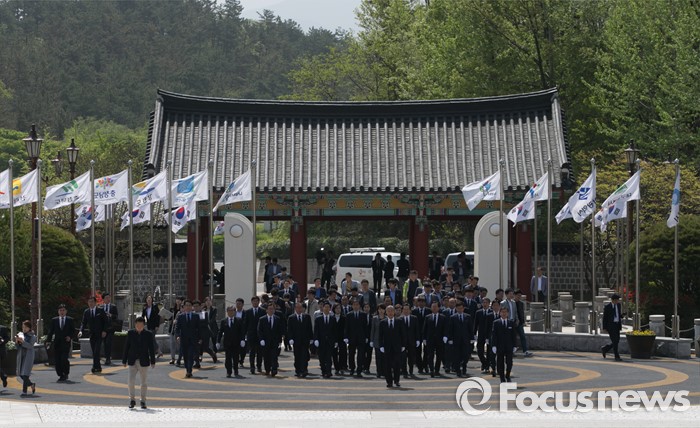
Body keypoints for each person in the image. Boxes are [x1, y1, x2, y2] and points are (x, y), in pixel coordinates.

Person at [122, 317, 156, 409]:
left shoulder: (148, 334)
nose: (139, 327)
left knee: (143, 382)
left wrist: (153, 361)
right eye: (137, 325)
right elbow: (126, 347)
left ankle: (143, 401)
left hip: (144, 361)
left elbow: (151, 348)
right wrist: (124, 360)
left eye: (141, 325)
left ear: (144, 325)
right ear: (135, 325)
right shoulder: (131, 333)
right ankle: (132, 400)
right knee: (130, 381)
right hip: (132, 360)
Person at [378, 305, 405, 388]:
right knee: (387, 366)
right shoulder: (382, 322)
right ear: (386, 312)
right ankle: (389, 382)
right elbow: (380, 336)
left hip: (397, 347)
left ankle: (397, 381)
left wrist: (403, 345)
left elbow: (403, 334)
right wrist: (381, 346)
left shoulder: (399, 321)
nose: (390, 313)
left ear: (394, 312)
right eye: (388, 311)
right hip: (387, 347)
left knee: (397, 365)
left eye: (391, 311)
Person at [46, 304, 74, 382]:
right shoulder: (54, 320)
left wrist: (70, 337)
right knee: (57, 360)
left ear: (66, 311)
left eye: (63, 310)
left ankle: (66, 373)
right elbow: (51, 331)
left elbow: (73, 331)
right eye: (60, 310)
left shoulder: (70, 320)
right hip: (57, 343)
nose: (62, 312)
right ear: (58, 312)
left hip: (66, 343)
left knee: (64, 359)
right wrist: (48, 341)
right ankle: (60, 374)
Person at [79, 296, 107, 373]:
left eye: (92, 302)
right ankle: (98, 366)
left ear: (95, 303)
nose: (90, 303)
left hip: (99, 334)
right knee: (94, 351)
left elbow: (106, 321)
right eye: (89, 302)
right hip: (92, 334)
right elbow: (83, 323)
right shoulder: (86, 312)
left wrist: (104, 331)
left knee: (96, 351)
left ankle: (94, 366)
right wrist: (81, 331)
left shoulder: (100, 310)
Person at [447, 301, 474, 377]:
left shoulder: (467, 316)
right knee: (457, 356)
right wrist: (450, 339)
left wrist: (472, 338)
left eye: (461, 308)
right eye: (458, 308)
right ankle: (458, 370)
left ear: (463, 308)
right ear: (456, 308)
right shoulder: (453, 317)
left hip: (465, 339)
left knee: (466, 355)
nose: (460, 310)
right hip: (456, 339)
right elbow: (450, 329)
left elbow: (470, 328)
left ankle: (464, 366)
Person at [175, 300, 201, 378]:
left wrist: (200, 338)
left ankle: (189, 371)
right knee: (186, 356)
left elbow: (199, 328)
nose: (188, 307)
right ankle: (187, 369)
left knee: (190, 355)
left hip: (193, 340)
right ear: (184, 307)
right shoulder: (181, 317)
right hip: (184, 340)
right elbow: (177, 328)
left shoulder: (196, 316)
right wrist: (177, 336)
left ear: (191, 307)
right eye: (186, 305)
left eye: (189, 305)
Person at [344, 298, 369, 378]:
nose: (356, 306)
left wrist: (366, 337)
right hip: (352, 338)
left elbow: (365, 327)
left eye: (357, 305)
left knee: (360, 355)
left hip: (361, 338)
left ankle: (359, 370)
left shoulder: (363, 315)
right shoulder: (349, 315)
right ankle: (352, 368)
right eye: (354, 305)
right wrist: (346, 337)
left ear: (359, 306)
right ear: (352, 306)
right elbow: (346, 327)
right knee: (351, 354)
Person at [287, 302, 314, 377]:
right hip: (296, 340)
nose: (299, 309)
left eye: (300, 308)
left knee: (304, 356)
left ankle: (304, 370)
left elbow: (309, 328)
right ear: (295, 308)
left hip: (305, 340)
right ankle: (298, 370)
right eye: (297, 308)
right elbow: (289, 330)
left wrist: (311, 338)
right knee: (297, 356)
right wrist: (290, 338)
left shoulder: (307, 317)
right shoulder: (291, 318)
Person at [217, 306, 245, 378]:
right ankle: (228, 372)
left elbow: (242, 331)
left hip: (236, 342)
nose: (231, 312)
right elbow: (220, 332)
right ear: (227, 312)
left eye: (232, 311)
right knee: (228, 358)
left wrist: (242, 339)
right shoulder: (224, 321)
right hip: (227, 343)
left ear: (234, 312)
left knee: (236, 358)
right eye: (229, 311)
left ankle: (236, 370)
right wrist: (218, 342)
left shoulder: (239, 320)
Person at [491, 306, 517, 382]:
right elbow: (494, 335)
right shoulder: (496, 323)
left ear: (508, 313)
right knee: (500, 362)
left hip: (509, 346)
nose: (504, 313)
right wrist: (494, 345)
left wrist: (515, 345)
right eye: (502, 312)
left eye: (505, 312)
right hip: (500, 346)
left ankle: (508, 375)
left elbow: (514, 335)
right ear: (500, 313)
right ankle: (502, 377)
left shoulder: (511, 323)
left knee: (509, 362)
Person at [257, 303, 282, 376]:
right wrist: (261, 339)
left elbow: (279, 330)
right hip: (265, 341)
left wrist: (280, 340)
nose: (271, 310)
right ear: (266, 310)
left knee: (274, 356)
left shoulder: (277, 319)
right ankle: (267, 369)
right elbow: (259, 330)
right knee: (266, 356)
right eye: (269, 309)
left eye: (272, 309)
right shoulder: (262, 319)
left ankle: (274, 369)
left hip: (274, 341)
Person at [423, 301, 447, 377]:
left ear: (438, 308)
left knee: (439, 355)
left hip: (440, 339)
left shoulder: (443, 317)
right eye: (433, 307)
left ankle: (437, 370)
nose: (434, 308)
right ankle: (431, 369)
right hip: (430, 339)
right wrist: (424, 338)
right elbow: (425, 329)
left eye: (435, 307)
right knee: (430, 355)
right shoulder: (427, 317)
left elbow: (445, 328)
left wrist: (445, 336)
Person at [314, 301, 337, 378]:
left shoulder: (333, 319)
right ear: (323, 308)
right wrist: (316, 339)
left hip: (330, 341)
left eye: (328, 307)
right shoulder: (318, 319)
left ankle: (329, 372)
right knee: (322, 357)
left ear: (330, 309)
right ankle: (323, 371)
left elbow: (335, 331)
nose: (327, 309)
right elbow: (316, 330)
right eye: (325, 307)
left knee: (329, 357)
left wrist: (335, 341)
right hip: (321, 341)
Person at [192, 300, 217, 367]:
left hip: (204, 333)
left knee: (205, 347)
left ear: (200, 306)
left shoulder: (204, 313)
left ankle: (213, 354)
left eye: (197, 306)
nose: (196, 308)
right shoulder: (192, 313)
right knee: (196, 348)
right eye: (194, 306)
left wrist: (197, 324)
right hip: (195, 333)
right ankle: (197, 363)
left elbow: (205, 323)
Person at [15, 320, 36, 397]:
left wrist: (22, 342)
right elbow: (17, 346)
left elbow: (30, 346)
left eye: (26, 327)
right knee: (21, 374)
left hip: (28, 356)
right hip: (21, 355)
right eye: (23, 327)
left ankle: (24, 391)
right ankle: (31, 384)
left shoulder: (33, 336)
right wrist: (17, 341)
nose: (24, 329)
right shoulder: (20, 334)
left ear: (29, 328)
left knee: (25, 374)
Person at [246, 296, 265, 374]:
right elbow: (245, 324)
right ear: (251, 302)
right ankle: (252, 367)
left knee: (260, 352)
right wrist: (245, 334)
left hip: (260, 335)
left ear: (259, 302)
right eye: (253, 301)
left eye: (256, 301)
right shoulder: (248, 312)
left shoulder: (263, 311)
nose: (255, 302)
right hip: (251, 335)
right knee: (252, 352)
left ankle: (259, 366)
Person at [473, 298, 493, 373]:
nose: (485, 304)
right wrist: (474, 334)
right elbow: (475, 324)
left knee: (489, 351)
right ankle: (484, 363)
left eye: (486, 302)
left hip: (489, 334)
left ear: (489, 304)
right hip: (481, 334)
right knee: (480, 351)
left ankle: (486, 366)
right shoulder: (478, 312)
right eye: (483, 302)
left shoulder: (491, 312)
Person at [601, 294, 623, 361]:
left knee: (617, 340)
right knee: (615, 341)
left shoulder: (618, 305)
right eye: (616, 300)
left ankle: (605, 348)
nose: (617, 301)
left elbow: (618, 314)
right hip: (611, 326)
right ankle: (617, 356)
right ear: (613, 300)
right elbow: (605, 318)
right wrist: (604, 328)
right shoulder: (608, 307)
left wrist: (622, 316)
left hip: (617, 325)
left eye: (618, 300)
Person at [400, 305, 419, 378]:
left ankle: (411, 370)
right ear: (402, 310)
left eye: (407, 309)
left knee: (411, 357)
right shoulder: (399, 319)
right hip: (402, 342)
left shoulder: (414, 318)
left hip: (412, 341)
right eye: (404, 309)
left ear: (410, 310)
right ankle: (404, 372)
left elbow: (417, 330)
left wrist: (417, 340)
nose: (406, 311)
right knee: (403, 358)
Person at [411, 297, 429, 374]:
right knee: (417, 351)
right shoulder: (414, 311)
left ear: (425, 303)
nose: (421, 303)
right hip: (417, 334)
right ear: (417, 303)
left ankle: (425, 365)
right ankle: (420, 367)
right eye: (419, 302)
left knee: (426, 351)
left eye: (422, 302)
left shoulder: (428, 311)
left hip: (426, 334)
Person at [141, 294, 162, 358]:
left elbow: (158, 316)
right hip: (149, 325)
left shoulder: (155, 306)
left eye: (150, 299)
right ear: (146, 300)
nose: (149, 300)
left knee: (151, 338)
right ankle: (157, 351)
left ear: (152, 300)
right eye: (148, 299)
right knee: (152, 339)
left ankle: (157, 351)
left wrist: (157, 325)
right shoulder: (145, 307)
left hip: (154, 325)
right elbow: (143, 316)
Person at [101, 292, 119, 365]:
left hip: (111, 328)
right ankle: (106, 357)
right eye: (106, 298)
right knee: (105, 343)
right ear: (103, 299)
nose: (108, 299)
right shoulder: (101, 307)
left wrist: (111, 315)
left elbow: (116, 316)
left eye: (109, 297)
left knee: (108, 342)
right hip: (103, 329)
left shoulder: (113, 307)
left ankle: (108, 358)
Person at [514, 290, 533, 357]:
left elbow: (522, 313)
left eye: (520, 296)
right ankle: (513, 350)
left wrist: (523, 321)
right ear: (514, 295)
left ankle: (525, 350)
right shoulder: (512, 303)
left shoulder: (521, 303)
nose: (519, 297)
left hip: (520, 323)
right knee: (513, 337)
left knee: (522, 336)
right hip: (513, 323)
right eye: (518, 295)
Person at [369, 304, 386, 378]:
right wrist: (371, 340)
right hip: (377, 340)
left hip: (385, 341)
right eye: (379, 309)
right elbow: (372, 330)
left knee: (384, 357)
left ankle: (384, 372)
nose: (381, 311)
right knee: (378, 357)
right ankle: (378, 372)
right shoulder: (375, 318)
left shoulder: (387, 318)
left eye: (382, 309)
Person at [169, 296, 183, 365]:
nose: (178, 301)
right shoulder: (172, 309)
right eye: (177, 299)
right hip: (172, 328)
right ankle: (173, 358)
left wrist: (177, 321)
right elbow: (169, 318)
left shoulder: (182, 309)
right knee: (172, 344)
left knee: (179, 345)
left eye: (179, 300)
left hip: (179, 329)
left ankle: (180, 358)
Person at [0, 323, 8, 388]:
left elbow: (7, 338)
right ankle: (3, 376)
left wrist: (2, 341)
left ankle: (3, 375)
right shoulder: (3, 328)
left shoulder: (3, 328)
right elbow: (7, 338)